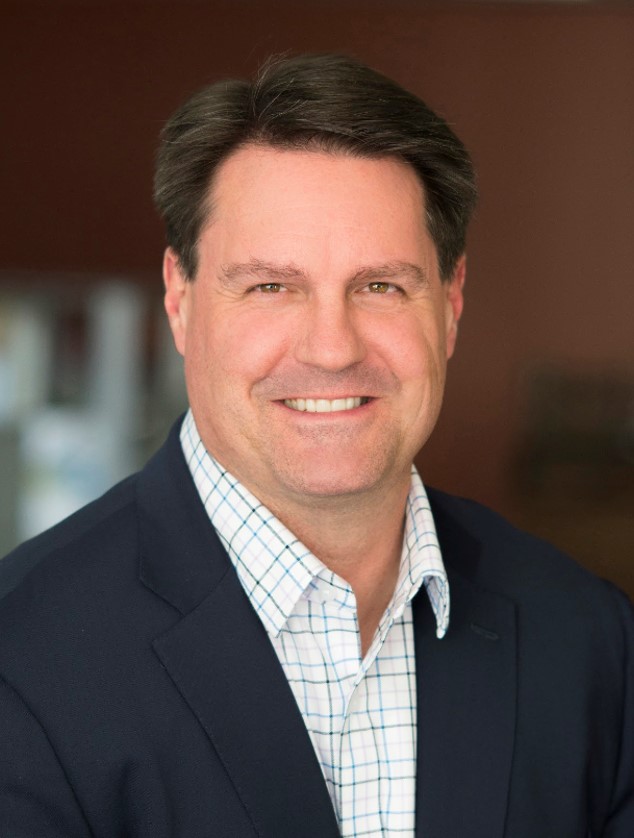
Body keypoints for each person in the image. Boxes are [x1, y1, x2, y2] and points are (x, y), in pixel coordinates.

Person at [0, 53, 631, 838]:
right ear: (181, 298)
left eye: (380, 287)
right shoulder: (20, 661)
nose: (332, 349)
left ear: (452, 303)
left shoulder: (588, 641)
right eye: (272, 286)